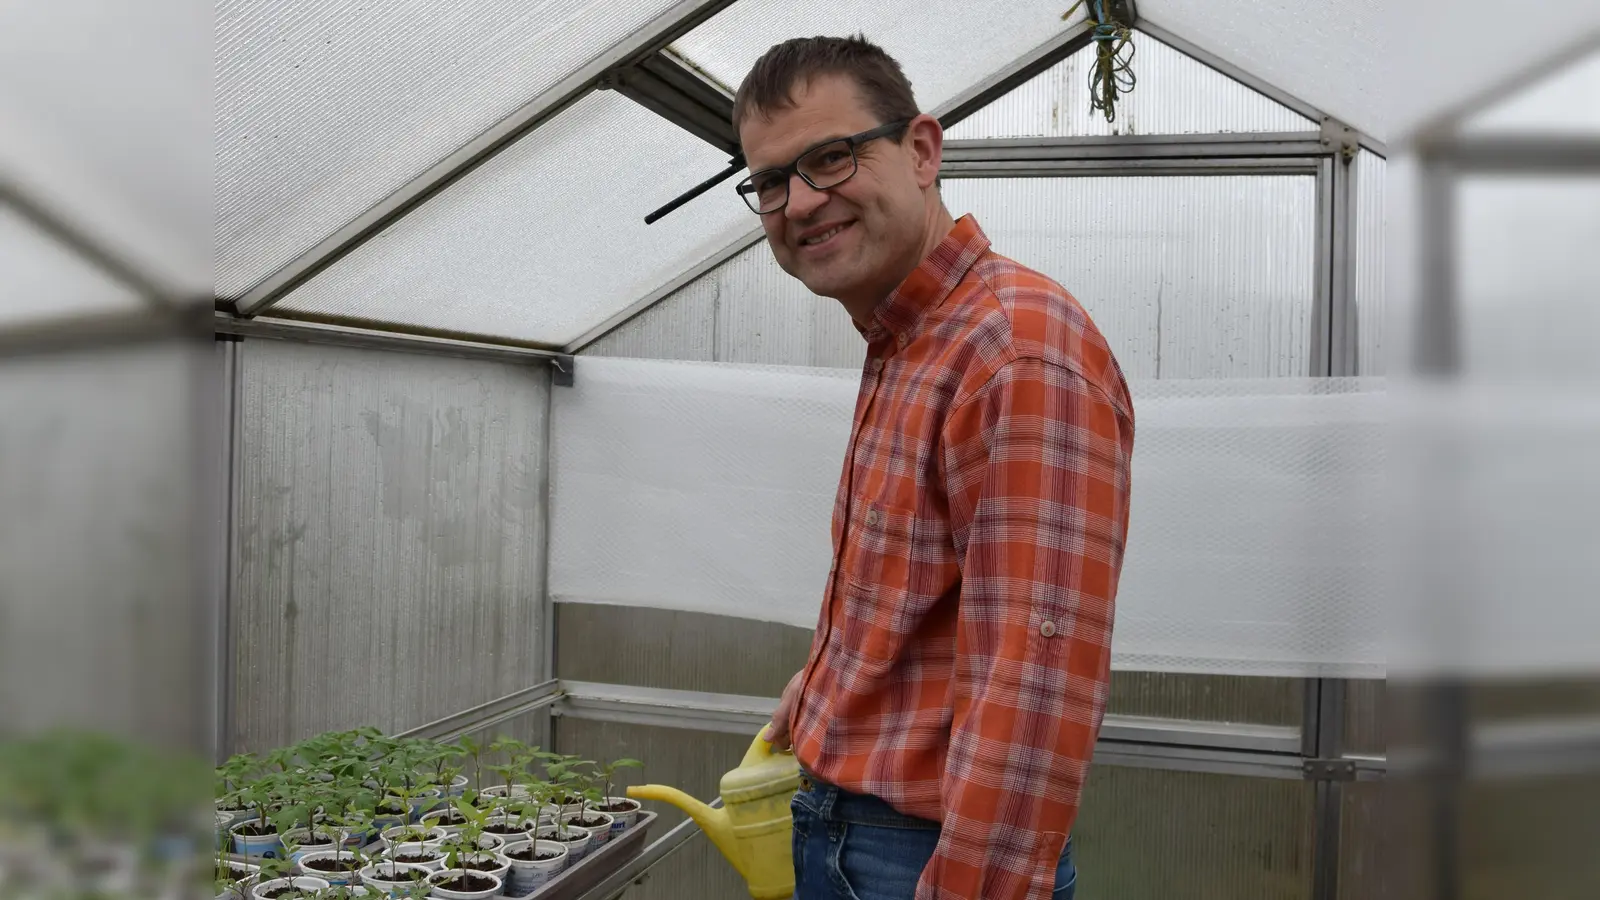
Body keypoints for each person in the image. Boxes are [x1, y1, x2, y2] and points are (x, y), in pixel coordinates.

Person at [731, 35, 1136, 900]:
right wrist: (825, 690)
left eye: (830, 158)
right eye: (770, 181)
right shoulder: (911, 337)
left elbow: (1032, 690)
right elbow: (930, 598)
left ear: (921, 150)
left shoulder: (1012, 349)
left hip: (919, 856)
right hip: (854, 836)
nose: (799, 202)